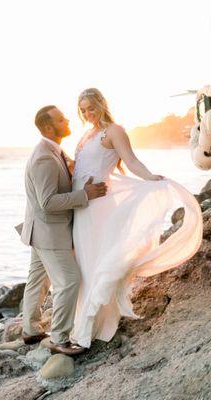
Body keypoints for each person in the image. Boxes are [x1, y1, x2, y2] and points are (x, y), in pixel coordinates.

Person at [70, 88, 203, 348]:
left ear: (101, 104)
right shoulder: (86, 135)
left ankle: (89, 328)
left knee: (99, 261)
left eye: (91, 107)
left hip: (98, 206)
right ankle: (82, 321)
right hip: (81, 205)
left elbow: (131, 161)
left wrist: (150, 178)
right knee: (85, 264)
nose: (87, 113)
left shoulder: (115, 131)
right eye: (83, 110)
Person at [18, 105, 107, 355]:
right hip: (49, 232)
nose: (67, 119)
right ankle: (59, 339)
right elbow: (47, 203)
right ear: (48, 127)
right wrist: (83, 195)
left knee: (38, 279)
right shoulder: (44, 157)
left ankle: (31, 330)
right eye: (60, 119)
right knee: (69, 281)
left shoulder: (51, 151)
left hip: (39, 229)